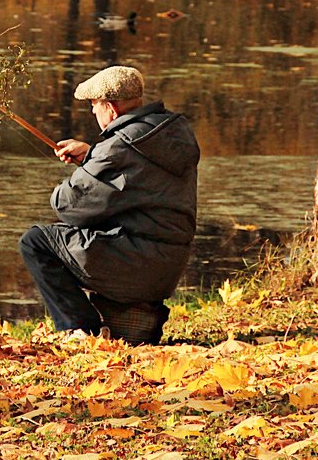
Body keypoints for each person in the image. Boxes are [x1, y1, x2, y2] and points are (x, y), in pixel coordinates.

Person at [19, 65, 200, 344]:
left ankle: (81, 330)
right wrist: (93, 155)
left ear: (111, 108)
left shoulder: (118, 149)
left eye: (94, 105)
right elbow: (139, 177)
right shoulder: (170, 133)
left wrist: (93, 164)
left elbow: (68, 207)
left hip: (137, 262)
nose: (93, 112)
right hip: (165, 265)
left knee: (36, 241)